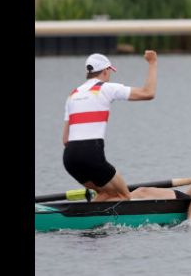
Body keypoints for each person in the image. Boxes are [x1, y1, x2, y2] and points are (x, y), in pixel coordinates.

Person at [62, 51, 158, 202]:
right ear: (106, 71)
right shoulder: (105, 88)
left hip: (69, 158)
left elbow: (65, 139)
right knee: (124, 196)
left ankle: (86, 215)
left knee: (106, 193)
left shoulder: (73, 95)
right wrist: (152, 63)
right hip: (91, 154)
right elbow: (148, 93)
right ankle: (96, 217)